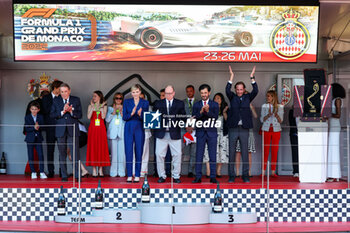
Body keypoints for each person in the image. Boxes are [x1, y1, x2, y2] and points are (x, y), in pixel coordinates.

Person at [226, 65, 258, 183]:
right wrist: (231, 76)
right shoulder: (232, 97)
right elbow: (226, 90)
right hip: (233, 128)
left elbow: (256, 91)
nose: (239, 91)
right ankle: (232, 176)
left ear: (244, 90)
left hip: (244, 128)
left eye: (241, 89)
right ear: (235, 90)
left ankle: (245, 175)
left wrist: (252, 78)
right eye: (237, 89)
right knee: (232, 152)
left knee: (245, 152)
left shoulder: (247, 97)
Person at [50, 83, 82, 182]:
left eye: (65, 91)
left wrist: (71, 111)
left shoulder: (76, 99)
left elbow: (80, 114)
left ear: (69, 91)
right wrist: (62, 112)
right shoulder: (56, 100)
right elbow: (52, 115)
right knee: (62, 153)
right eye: (62, 92)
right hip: (60, 130)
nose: (64, 93)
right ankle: (64, 175)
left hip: (72, 129)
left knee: (75, 153)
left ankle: (77, 175)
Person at [153, 85, 186, 183]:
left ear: (174, 93)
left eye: (170, 93)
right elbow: (154, 118)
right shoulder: (158, 103)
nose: (168, 95)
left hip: (174, 133)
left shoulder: (179, 103)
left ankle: (176, 176)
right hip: (161, 133)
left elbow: (183, 117)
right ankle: (162, 176)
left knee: (177, 155)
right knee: (159, 154)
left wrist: (189, 120)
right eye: (166, 93)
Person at [192, 84, 219, 184]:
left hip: (212, 133)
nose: (203, 95)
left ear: (209, 93)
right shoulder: (196, 104)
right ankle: (198, 177)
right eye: (202, 93)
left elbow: (215, 117)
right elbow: (194, 117)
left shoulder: (215, 104)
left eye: (205, 93)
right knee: (198, 155)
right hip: (200, 133)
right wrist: (200, 111)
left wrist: (207, 111)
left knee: (213, 156)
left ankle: (213, 177)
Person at [123, 84, 149, 183]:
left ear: (140, 92)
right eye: (133, 92)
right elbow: (124, 117)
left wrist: (140, 114)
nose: (135, 94)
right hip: (128, 127)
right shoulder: (126, 102)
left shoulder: (145, 102)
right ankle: (129, 175)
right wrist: (132, 113)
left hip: (139, 127)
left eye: (137, 92)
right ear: (131, 93)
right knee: (128, 151)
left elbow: (146, 118)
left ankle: (137, 174)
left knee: (139, 151)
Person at [203, 93, 229, 178]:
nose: (216, 100)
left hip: (222, 134)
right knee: (208, 151)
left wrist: (224, 112)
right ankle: (208, 171)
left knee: (221, 152)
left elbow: (227, 120)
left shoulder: (225, 108)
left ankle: (218, 171)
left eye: (218, 98)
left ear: (222, 100)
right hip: (211, 133)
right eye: (215, 98)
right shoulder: (209, 108)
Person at [86, 91, 110, 177]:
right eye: (93, 96)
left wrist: (101, 107)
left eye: (95, 96)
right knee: (93, 147)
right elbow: (88, 117)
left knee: (100, 147)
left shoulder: (104, 106)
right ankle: (93, 170)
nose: (93, 98)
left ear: (100, 97)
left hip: (101, 129)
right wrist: (93, 107)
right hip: (93, 128)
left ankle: (100, 169)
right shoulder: (90, 106)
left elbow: (103, 116)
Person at [42, 80, 63, 177]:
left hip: (60, 128)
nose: (62, 90)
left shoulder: (63, 98)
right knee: (50, 150)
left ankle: (62, 171)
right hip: (50, 127)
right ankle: (51, 171)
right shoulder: (46, 98)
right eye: (60, 88)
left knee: (61, 150)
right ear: (55, 88)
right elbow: (46, 110)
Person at [260, 90, 283, 177]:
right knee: (265, 151)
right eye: (267, 96)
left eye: (269, 96)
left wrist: (276, 115)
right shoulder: (264, 106)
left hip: (276, 130)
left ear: (273, 97)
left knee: (274, 151)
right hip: (266, 129)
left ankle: (273, 171)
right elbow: (261, 119)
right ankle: (263, 171)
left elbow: (281, 120)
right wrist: (268, 115)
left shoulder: (280, 106)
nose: (267, 97)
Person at [327, 83, 346, 182]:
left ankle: (334, 174)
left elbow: (338, 115)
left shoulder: (337, 100)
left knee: (333, 149)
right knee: (332, 149)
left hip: (335, 125)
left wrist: (328, 114)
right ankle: (334, 174)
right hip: (333, 126)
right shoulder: (335, 100)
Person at [24, 101, 47, 179]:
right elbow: (26, 128)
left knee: (40, 155)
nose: (34, 111)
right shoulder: (27, 117)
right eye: (32, 109)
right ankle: (33, 172)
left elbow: (43, 127)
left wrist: (39, 127)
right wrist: (34, 127)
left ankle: (41, 172)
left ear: (38, 110)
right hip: (30, 139)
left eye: (35, 109)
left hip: (38, 138)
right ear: (30, 109)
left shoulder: (40, 117)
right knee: (31, 155)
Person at [235, 103, 257, 177]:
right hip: (239, 128)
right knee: (238, 151)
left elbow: (256, 116)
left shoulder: (250, 106)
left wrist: (251, 108)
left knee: (248, 152)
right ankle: (237, 172)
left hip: (248, 129)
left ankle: (248, 171)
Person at [106, 93, 125, 177]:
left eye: (120, 98)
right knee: (114, 153)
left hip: (122, 132)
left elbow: (126, 120)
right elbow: (107, 120)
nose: (118, 100)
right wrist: (113, 112)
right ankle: (113, 171)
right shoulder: (110, 108)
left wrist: (121, 112)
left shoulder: (125, 108)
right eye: (117, 98)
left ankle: (121, 171)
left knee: (122, 153)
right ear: (114, 99)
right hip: (113, 133)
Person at [183, 84, 197, 178]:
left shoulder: (199, 102)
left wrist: (193, 127)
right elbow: (180, 116)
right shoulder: (182, 102)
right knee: (180, 151)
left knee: (194, 152)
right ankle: (177, 172)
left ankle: (190, 171)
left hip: (195, 130)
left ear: (194, 91)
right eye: (187, 91)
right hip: (184, 130)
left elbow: (200, 117)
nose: (189, 93)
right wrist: (186, 126)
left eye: (191, 91)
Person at [140, 92, 152, 177]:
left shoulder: (148, 107)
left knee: (145, 153)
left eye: (142, 98)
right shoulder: (133, 106)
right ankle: (134, 171)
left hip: (145, 132)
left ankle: (143, 171)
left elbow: (151, 120)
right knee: (134, 153)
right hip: (134, 132)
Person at [288, 109, 299, 177]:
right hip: (294, 134)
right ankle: (296, 171)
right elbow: (291, 123)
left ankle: (304, 170)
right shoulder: (292, 111)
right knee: (295, 152)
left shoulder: (305, 110)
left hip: (304, 134)